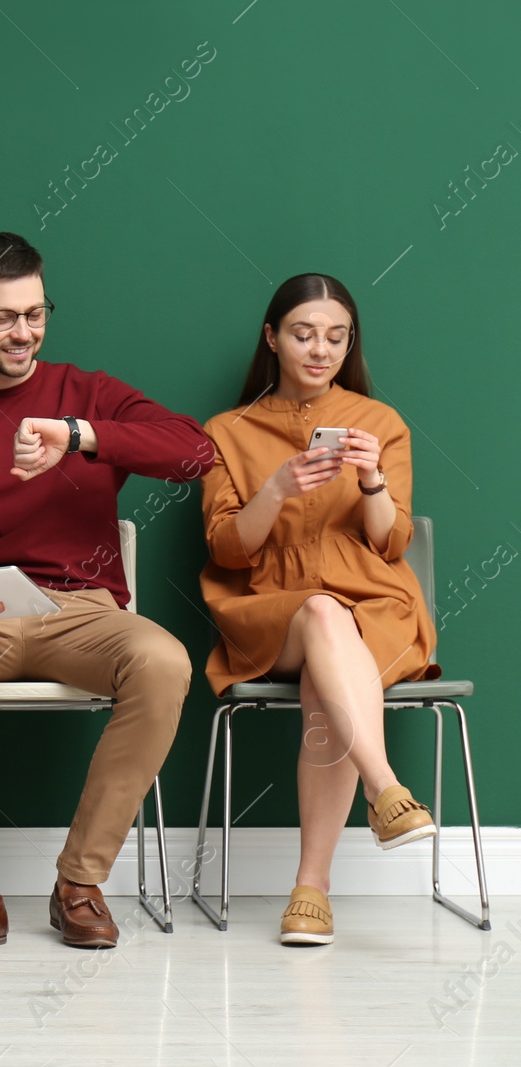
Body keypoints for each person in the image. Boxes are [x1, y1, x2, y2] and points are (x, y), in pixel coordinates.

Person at [0, 231, 211, 953]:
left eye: (35, 313)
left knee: (164, 660)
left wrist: (83, 434)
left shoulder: (85, 394)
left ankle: (79, 883)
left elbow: (195, 452)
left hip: (81, 612)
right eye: (2, 316)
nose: (22, 332)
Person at [200, 273, 438, 947]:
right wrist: (274, 489)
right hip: (270, 607)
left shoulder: (381, 422)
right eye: (303, 334)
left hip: (375, 603)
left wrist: (372, 480)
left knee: (327, 668)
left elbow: (391, 541)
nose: (320, 349)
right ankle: (385, 785)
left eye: (336, 337)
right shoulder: (228, 430)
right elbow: (225, 549)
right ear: (272, 338)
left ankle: (311, 889)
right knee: (320, 616)